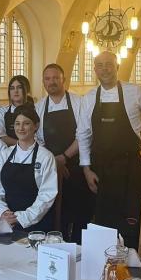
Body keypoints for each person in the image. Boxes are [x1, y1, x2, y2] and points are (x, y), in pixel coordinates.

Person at [77, 51, 141, 249]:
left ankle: (132, 261)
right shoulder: (89, 98)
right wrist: (86, 169)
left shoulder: (134, 92)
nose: (105, 69)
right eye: (100, 65)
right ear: (95, 70)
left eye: (109, 64)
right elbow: (83, 134)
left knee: (132, 219)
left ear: (117, 67)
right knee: (103, 221)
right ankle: (104, 261)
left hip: (130, 167)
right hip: (101, 169)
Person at [35, 63, 92, 243]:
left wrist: (64, 157)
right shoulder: (39, 107)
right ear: (43, 82)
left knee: (80, 213)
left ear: (64, 80)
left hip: (76, 166)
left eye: (55, 78)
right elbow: (38, 140)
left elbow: (84, 135)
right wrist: (54, 161)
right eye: (47, 78)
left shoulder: (78, 102)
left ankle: (79, 247)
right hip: (50, 168)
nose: (51, 82)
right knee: (56, 213)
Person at [0, 106, 58, 232]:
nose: (21, 128)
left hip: (37, 224)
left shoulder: (46, 157)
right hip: (6, 223)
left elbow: (47, 195)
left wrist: (21, 218)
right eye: (17, 123)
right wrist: (3, 212)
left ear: (36, 126)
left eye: (26, 123)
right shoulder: (3, 155)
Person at [0, 75, 34, 146]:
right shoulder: (2, 112)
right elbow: (0, 136)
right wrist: (22, 145)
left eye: (19, 87)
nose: (16, 91)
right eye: (12, 88)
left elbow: (38, 136)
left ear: (26, 90)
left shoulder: (35, 111)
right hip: (9, 151)